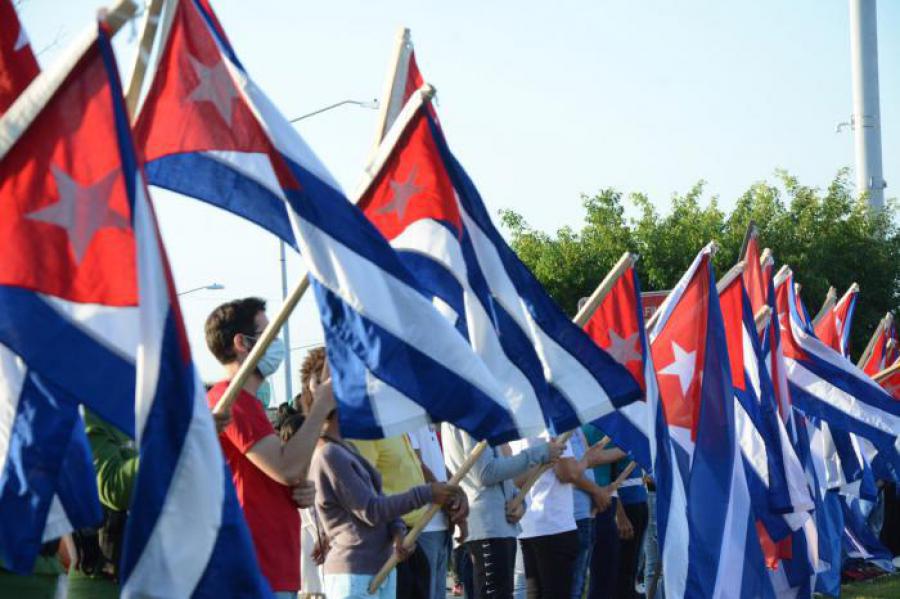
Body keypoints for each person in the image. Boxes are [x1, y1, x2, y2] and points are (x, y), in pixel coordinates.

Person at [301, 348, 463, 599]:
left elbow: (379, 495)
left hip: (379, 569)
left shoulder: (348, 449)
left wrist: (398, 530)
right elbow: (371, 510)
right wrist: (427, 493)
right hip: (355, 576)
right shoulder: (330, 455)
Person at [205, 297, 332, 597]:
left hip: (271, 568)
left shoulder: (251, 404)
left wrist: (300, 490)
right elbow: (287, 468)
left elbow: (283, 471)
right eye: (269, 333)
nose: (278, 344)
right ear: (242, 343)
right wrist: (321, 407)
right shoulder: (231, 401)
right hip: (254, 569)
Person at [442, 423, 563, 599]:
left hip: (498, 524)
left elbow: (500, 471)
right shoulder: (467, 416)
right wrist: (539, 453)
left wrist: (518, 502)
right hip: (485, 526)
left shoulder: (477, 416)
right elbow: (485, 472)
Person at [509, 431, 578, 599]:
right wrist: (587, 461)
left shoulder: (516, 426)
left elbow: (515, 478)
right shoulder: (551, 426)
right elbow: (567, 473)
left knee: (534, 593)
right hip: (554, 523)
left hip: (529, 525)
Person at [408, 424, 453, 599]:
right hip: (424, 525)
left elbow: (439, 467)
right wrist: (446, 497)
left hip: (440, 522)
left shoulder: (427, 420)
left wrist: (452, 494)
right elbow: (416, 463)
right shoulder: (408, 414)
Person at [583, 424, 627, 599]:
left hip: (606, 498)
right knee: (601, 570)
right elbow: (590, 459)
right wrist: (630, 448)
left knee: (609, 568)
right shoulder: (588, 424)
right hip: (593, 500)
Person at [612, 459, 648, 599]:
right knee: (622, 567)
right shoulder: (613, 438)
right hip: (626, 505)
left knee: (632, 566)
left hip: (639, 501)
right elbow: (609, 478)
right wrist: (619, 514)